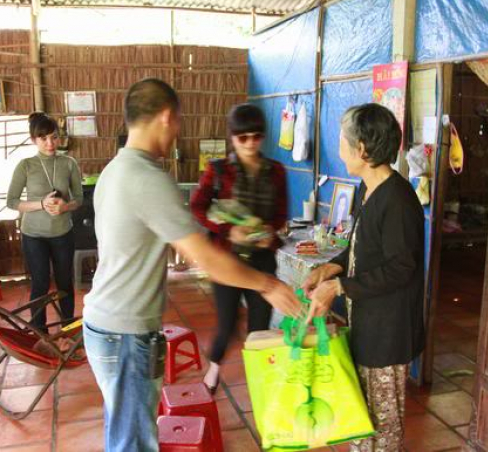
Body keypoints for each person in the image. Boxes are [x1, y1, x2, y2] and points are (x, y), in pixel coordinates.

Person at [82, 78, 301, 452]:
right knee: (133, 442)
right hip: (126, 332)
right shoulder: (148, 178)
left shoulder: (114, 170)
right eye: (179, 121)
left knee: (124, 432)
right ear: (167, 117)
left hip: (107, 324)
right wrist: (267, 284)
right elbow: (206, 258)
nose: (179, 131)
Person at [302, 103, 425, 452]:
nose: (338, 148)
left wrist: (339, 286)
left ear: (362, 150)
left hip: (389, 332)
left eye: (343, 141)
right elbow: (361, 249)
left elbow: (401, 267)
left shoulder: (398, 201)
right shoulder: (367, 190)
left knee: (382, 427)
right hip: (368, 324)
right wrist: (332, 267)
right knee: (361, 415)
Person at [190, 103, 288, 393]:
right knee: (227, 323)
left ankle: (260, 381)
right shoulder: (218, 170)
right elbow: (197, 207)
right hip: (227, 261)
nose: (250, 143)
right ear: (232, 137)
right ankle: (214, 369)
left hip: (262, 259)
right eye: (242, 137)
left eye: (256, 136)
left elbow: (281, 213)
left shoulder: (277, 171)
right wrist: (228, 230)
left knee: (260, 327)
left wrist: (268, 233)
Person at [7, 112, 83, 332]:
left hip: (62, 233)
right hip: (34, 235)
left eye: (54, 137)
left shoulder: (69, 163)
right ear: (34, 140)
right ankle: (39, 331)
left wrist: (65, 207)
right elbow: (12, 201)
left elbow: (79, 198)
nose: (50, 143)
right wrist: (41, 204)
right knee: (40, 283)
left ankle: (67, 327)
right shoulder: (26, 165)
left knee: (64, 283)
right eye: (43, 138)